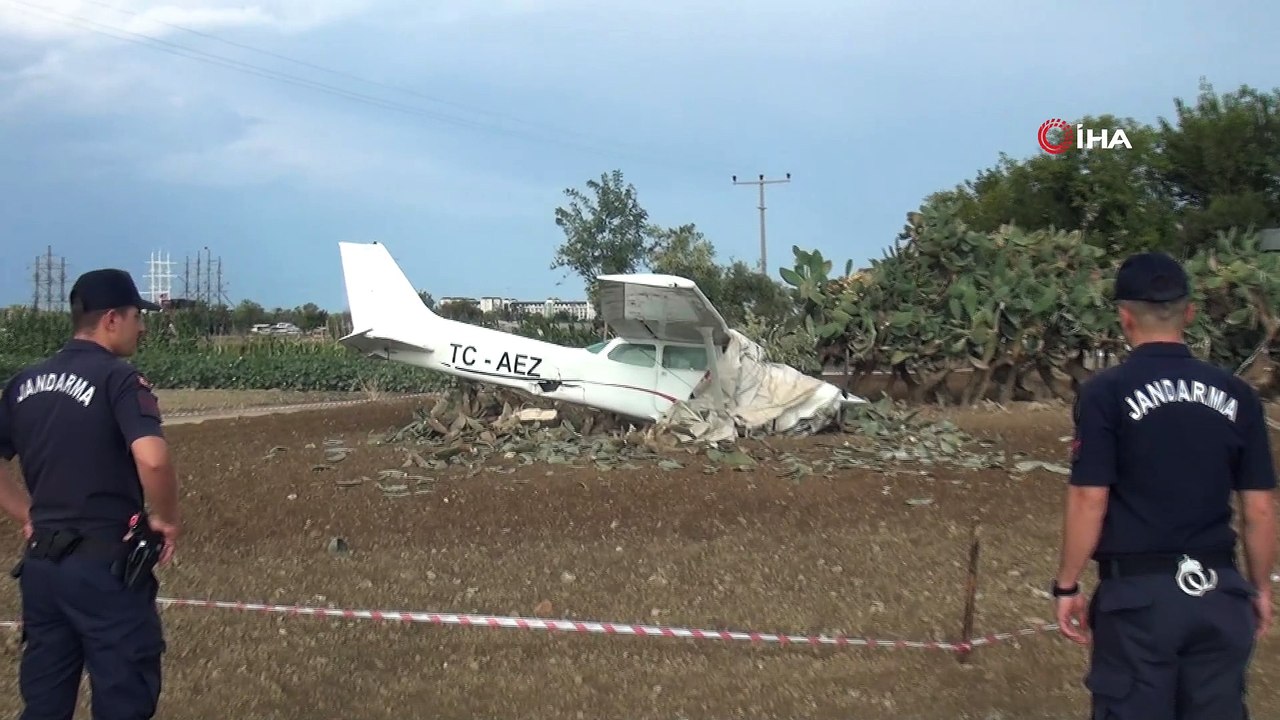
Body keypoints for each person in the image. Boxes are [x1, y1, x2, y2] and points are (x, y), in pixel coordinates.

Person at [1052, 251, 1276, 719]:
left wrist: (1067, 585)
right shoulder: (1237, 395)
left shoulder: (1106, 393)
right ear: (1189, 313)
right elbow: (1258, 508)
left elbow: (1090, 497)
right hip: (1218, 591)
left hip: (1138, 600)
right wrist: (1258, 587)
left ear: (1124, 317)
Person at [0, 268, 182, 720]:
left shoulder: (23, 383)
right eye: (137, 316)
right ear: (112, 319)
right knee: (123, 699)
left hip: (42, 568)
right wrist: (165, 518)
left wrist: (28, 514)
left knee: (45, 702)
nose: (142, 327)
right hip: (105, 570)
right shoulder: (118, 379)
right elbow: (153, 459)